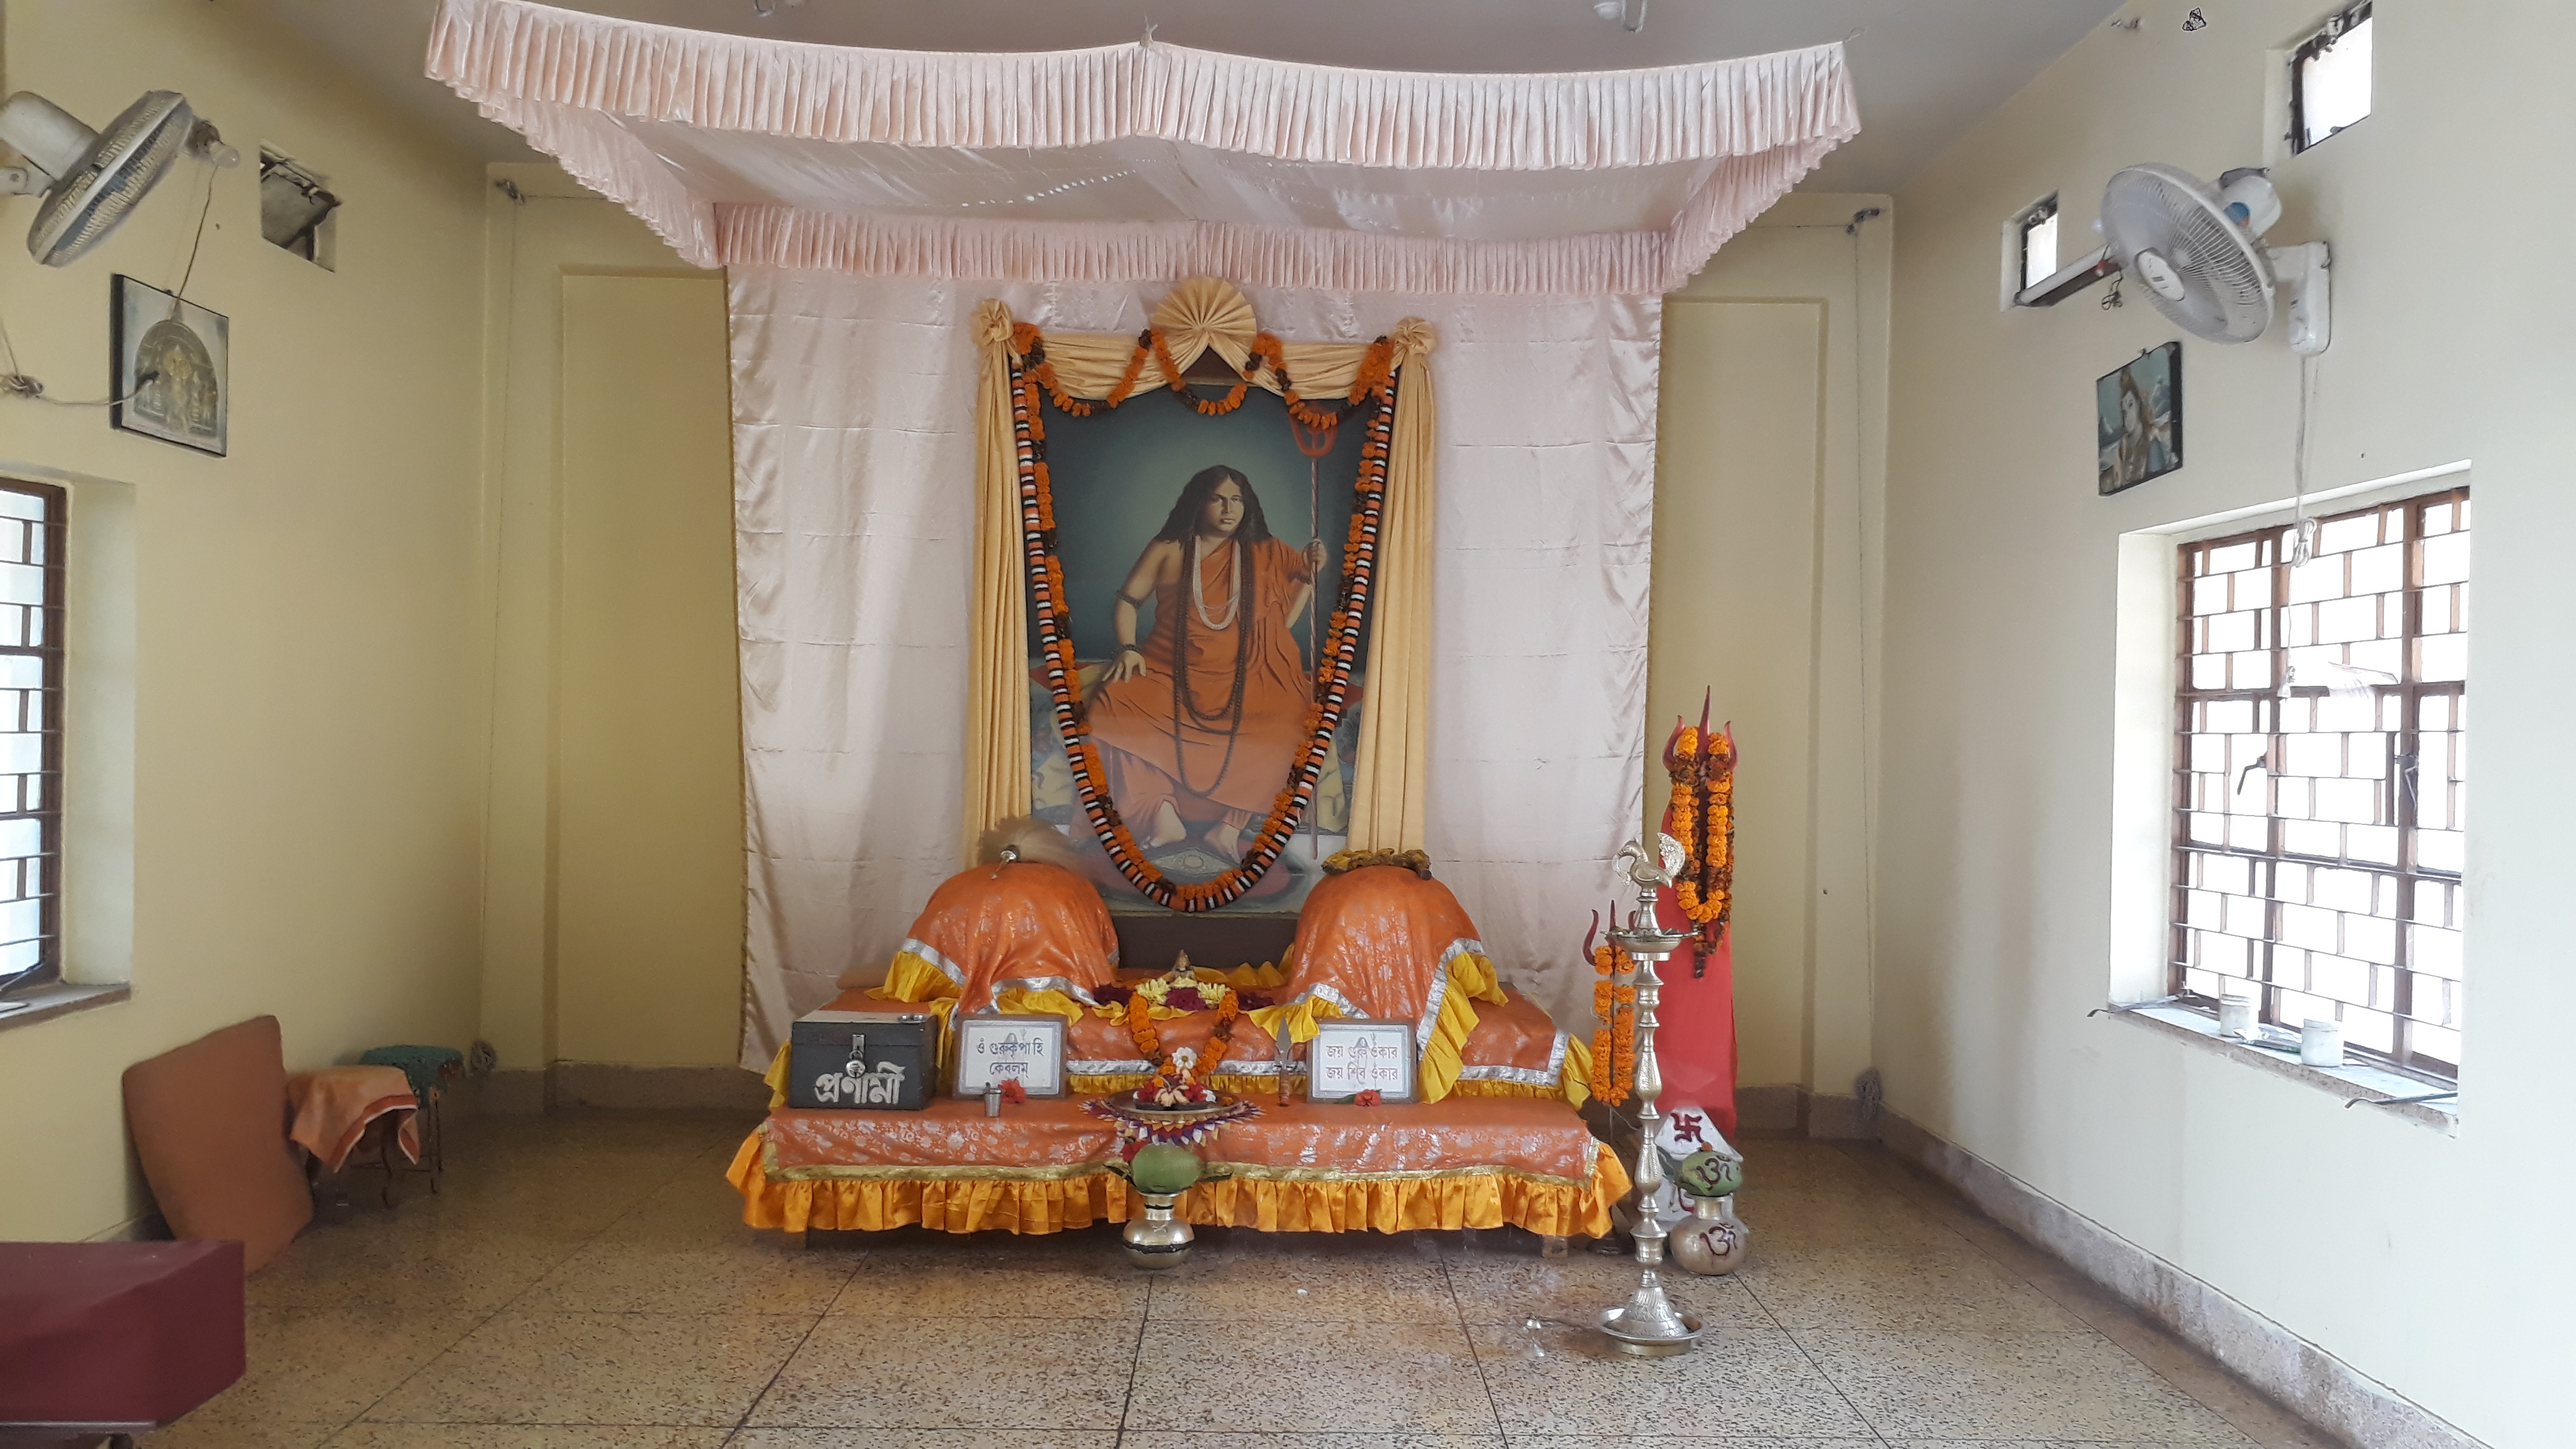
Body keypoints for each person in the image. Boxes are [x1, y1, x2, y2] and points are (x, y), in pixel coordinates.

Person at [1086, 465, 1325, 861]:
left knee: (1290, 723)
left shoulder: (1265, 551)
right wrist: (1128, 648)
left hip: (1246, 674)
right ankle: (1161, 817)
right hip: (1166, 669)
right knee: (1111, 704)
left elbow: (1283, 616)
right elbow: (1129, 601)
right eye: (1218, 499)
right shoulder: (1168, 548)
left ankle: (1227, 831)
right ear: (1199, 503)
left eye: (1237, 500)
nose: (1229, 509)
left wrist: (1310, 570)